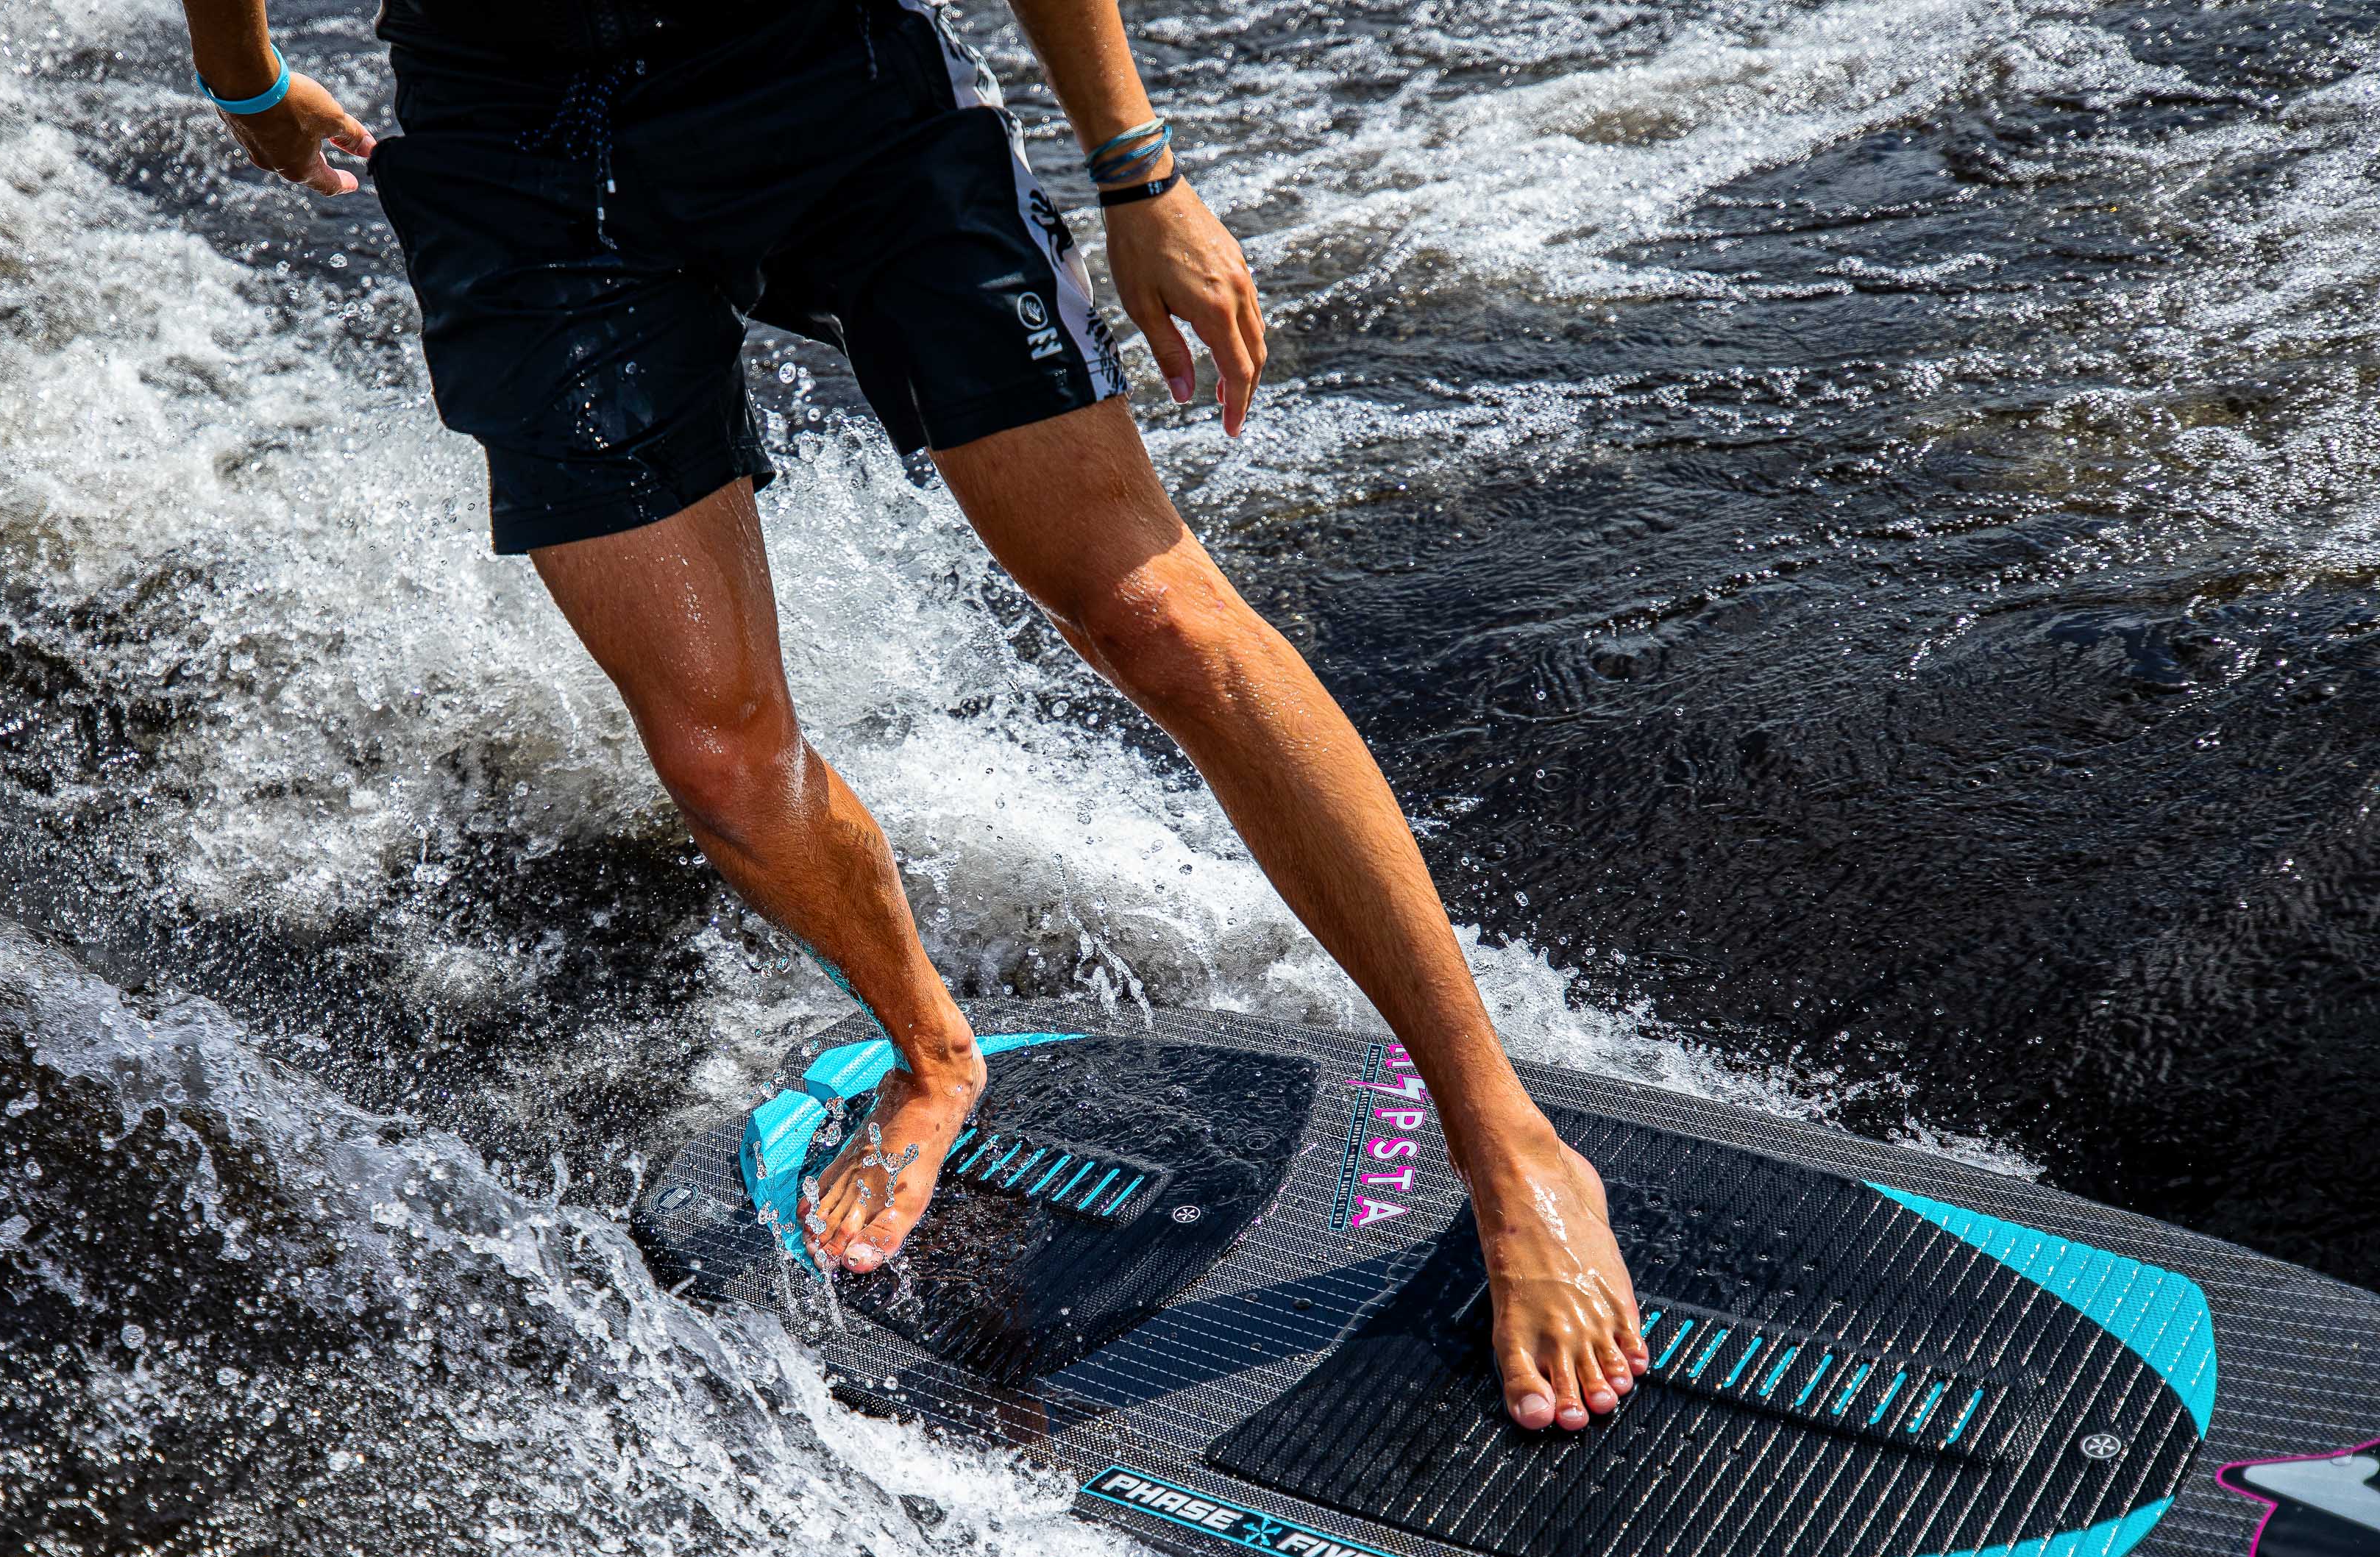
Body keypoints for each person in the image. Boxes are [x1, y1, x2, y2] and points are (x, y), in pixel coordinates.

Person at [175, 0, 1649, 1430]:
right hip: (514, 141)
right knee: (718, 757)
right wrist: (241, 73)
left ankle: (1505, 1140)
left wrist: (1140, 173)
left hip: (822, 67)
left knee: (1156, 616)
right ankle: (933, 1049)